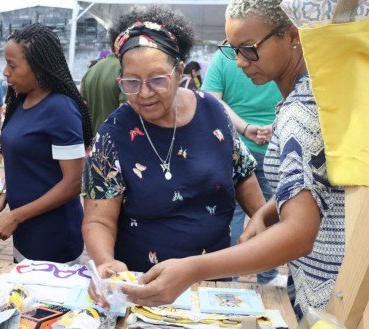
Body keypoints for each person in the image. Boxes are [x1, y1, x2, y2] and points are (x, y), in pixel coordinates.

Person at [123, 0, 344, 320]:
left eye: (249, 48)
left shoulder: (302, 111)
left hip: (327, 294)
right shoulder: (310, 94)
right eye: (233, 48)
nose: (240, 61)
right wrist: (269, 210)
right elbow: (325, 181)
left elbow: (299, 234)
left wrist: (193, 269)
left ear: (292, 36)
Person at [82, 5, 264, 285]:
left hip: (212, 279)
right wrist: (106, 261)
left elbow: (243, 177)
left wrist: (261, 222)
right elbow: (98, 220)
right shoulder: (112, 135)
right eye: (131, 82)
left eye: (157, 80)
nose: (144, 93)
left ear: (180, 71)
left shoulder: (213, 111)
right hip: (143, 283)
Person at [0, 23, 92, 263]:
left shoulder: (61, 108)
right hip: (25, 233)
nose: (5, 72)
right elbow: (28, 163)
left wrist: (16, 216)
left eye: (12, 65)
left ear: (38, 67)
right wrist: (5, 197)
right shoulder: (21, 102)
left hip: (53, 237)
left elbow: (73, 183)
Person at [202, 49, 283, 285]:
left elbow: (212, 100)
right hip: (272, 146)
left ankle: (230, 274)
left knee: (234, 214)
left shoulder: (224, 57)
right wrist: (272, 127)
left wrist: (245, 128)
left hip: (232, 145)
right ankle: (268, 274)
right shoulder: (274, 54)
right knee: (270, 211)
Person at [80, 20, 129, 134]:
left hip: (94, 142)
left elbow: (82, 110)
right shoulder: (125, 70)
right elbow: (124, 113)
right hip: (114, 140)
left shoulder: (90, 71)